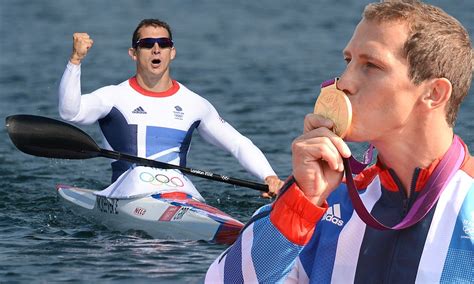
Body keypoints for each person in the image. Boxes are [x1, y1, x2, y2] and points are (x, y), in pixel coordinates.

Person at [206, 0, 473, 283]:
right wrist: (302, 202)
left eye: (371, 65)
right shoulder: (323, 200)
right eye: (348, 62)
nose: (343, 82)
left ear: (434, 93)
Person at [58, 18, 283, 200]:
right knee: (138, 175)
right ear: (133, 53)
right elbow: (70, 112)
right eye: (147, 44)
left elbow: (237, 143)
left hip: (179, 193)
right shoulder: (112, 96)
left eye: (163, 44)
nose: (156, 49)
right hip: (126, 193)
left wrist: (269, 176)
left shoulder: (195, 103)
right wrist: (75, 60)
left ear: (171, 52)